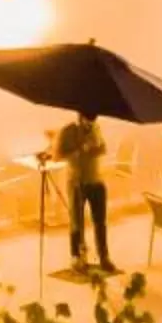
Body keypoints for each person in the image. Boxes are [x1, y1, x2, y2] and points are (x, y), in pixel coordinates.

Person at [55, 112, 113, 274]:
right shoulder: (69, 131)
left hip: (96, 181)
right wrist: (80, 149)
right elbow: (57, 154)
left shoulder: (97, 128)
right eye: (88, 122)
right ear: (80, 118)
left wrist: (97, 148)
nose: (90, 125)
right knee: (77, 222)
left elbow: (103, 148)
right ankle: (77, 257)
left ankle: (104, 256)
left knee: (100, 222)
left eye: (93, 122)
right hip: (77, 183)